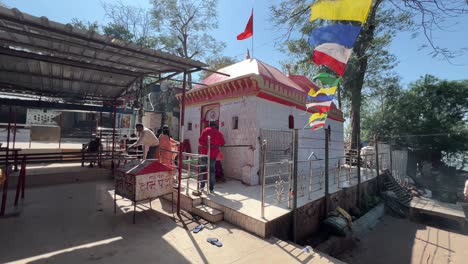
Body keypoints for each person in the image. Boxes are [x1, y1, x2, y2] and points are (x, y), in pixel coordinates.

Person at [198, 121, 225, 192]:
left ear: (209, 125)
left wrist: (207, 144)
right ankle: (211, 188)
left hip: (204, 153)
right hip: (213, 155)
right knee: (212, 171)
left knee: (203, 170)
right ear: (215, 126)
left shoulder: (205, 131)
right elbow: (222, 142)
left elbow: (200, 141)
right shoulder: (218, 133)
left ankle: (202, 187)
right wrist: (215, 144)